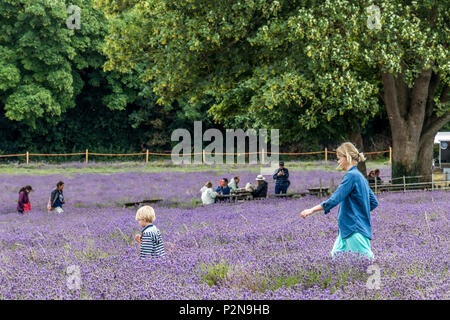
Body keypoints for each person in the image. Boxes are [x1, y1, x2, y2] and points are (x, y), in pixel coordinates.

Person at [300, 142, 378, 260]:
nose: (338, 162)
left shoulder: (351, 176)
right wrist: (359, 210)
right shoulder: (360, 177)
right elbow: (373, 202)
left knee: (367, 262)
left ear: (347, 157)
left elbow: (335, 199)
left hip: (354, 229)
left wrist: (311, 210)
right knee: (336, 260)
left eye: (339, 158)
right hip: (346, 229)